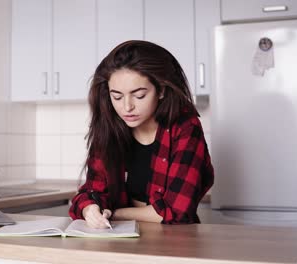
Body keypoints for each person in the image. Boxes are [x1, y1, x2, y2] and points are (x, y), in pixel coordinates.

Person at [68, 40, 214, 227]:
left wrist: (115, 214)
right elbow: (91, 191)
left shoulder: (185, 127)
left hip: (174, 241)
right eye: (117, 97)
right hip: (119, 239)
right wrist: (90, 209)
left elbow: (176, 211)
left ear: (161, 90)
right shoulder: (109, 127)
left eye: (139, 95)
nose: (127, 107)